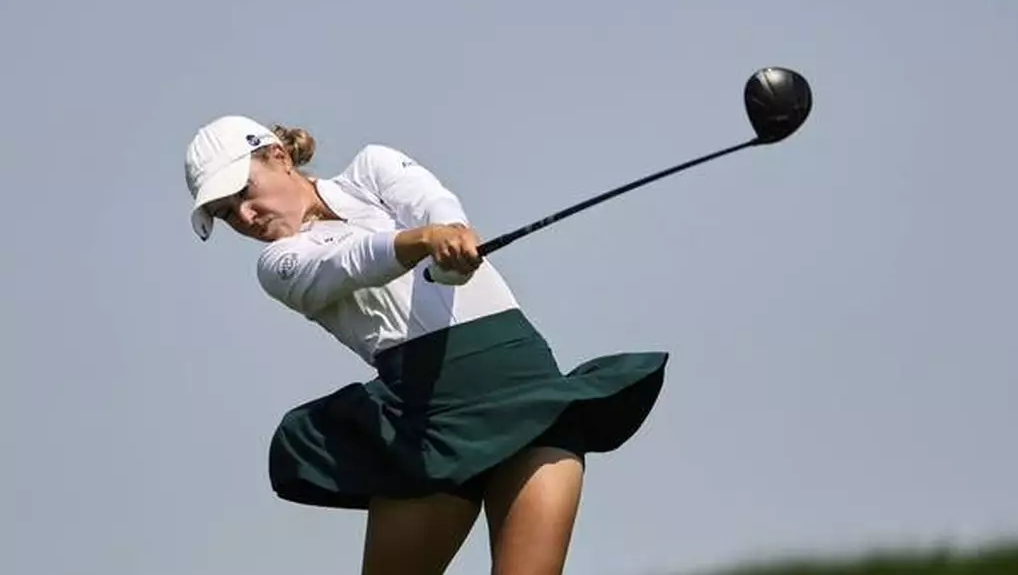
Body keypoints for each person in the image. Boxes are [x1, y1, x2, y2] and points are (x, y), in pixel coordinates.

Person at [183, 115, 668, 575]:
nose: (244, 216)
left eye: (243, 192)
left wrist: (453, 237)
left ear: (277, 156)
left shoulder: (372, 167)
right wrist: (424, 240)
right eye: (226, 214)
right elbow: (354, 261)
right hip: (429, 427)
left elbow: (434, 204)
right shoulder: (279, 264)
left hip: (530, 393)